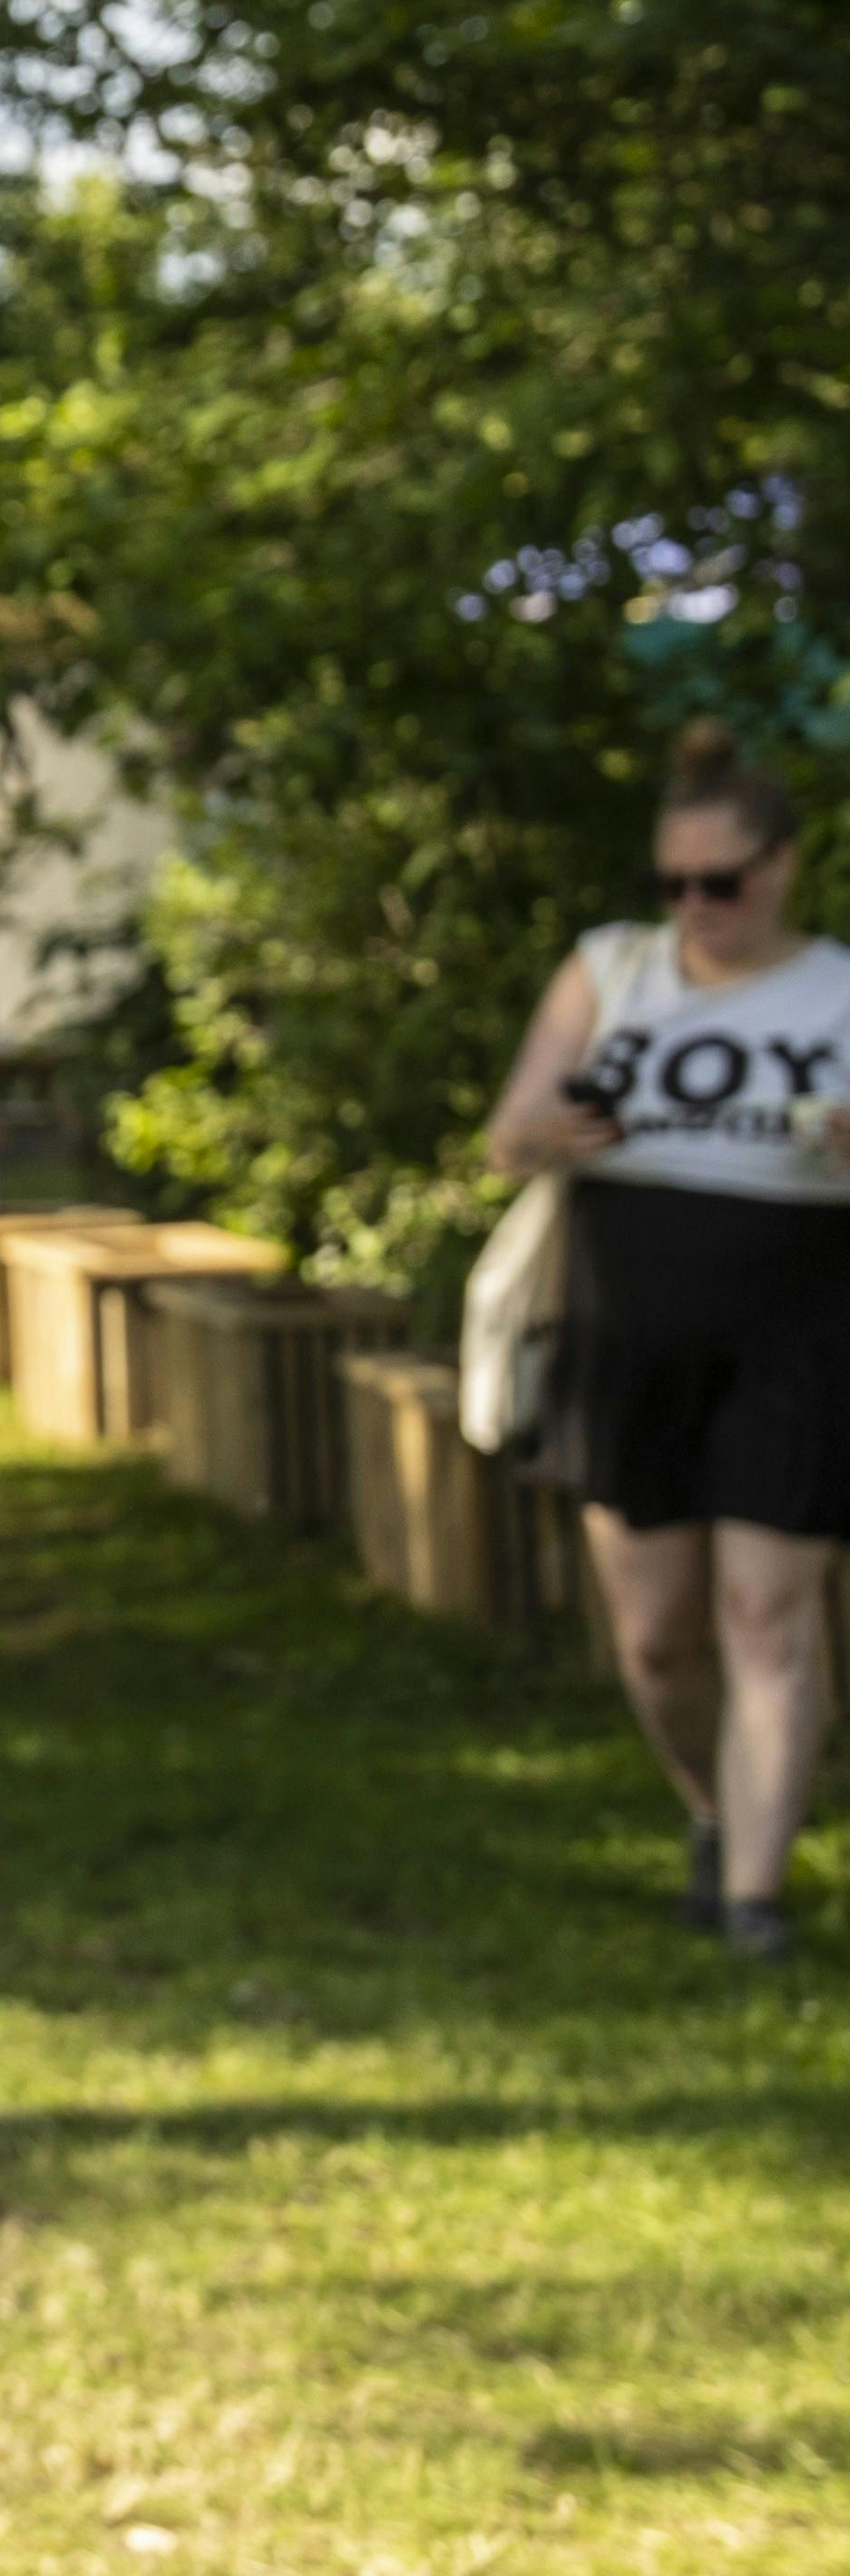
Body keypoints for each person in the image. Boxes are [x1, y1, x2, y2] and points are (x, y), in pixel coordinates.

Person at [484, 719, 846, 1964]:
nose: (697, 906)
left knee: (768, 1617)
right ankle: (713, 1809)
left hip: (800, 1334)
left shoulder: (839, 988)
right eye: (674, 884)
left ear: (783, 867)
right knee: (656, 1633)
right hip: (625, 1332)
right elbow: (507, 1133)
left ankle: (754, 1897)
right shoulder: (615, 970)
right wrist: (554, 1135)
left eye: (722, 884)